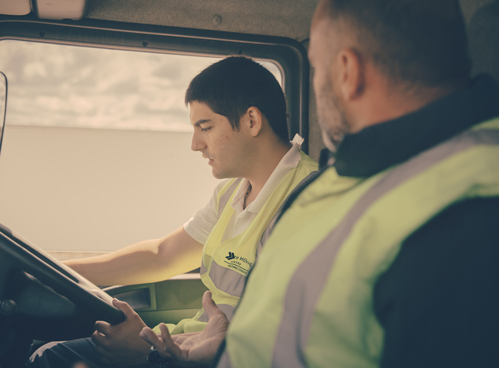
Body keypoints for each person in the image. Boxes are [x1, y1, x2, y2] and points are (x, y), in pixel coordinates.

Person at [140, 0, 499, 367]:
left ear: (346, 71)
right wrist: (220, 347)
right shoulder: (359, 176)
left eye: (315, 66)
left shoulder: (465, 217)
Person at [27, 56, 318, 367]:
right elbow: (163, 255)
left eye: (205, 127)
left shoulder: (309, 203)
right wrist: (53, 272)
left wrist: (152, 354)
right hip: (185, 344)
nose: (195, 144)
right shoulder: (233, 191)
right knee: (49, 355)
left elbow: (289, 339)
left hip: (210, 357)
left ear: (251, 121)